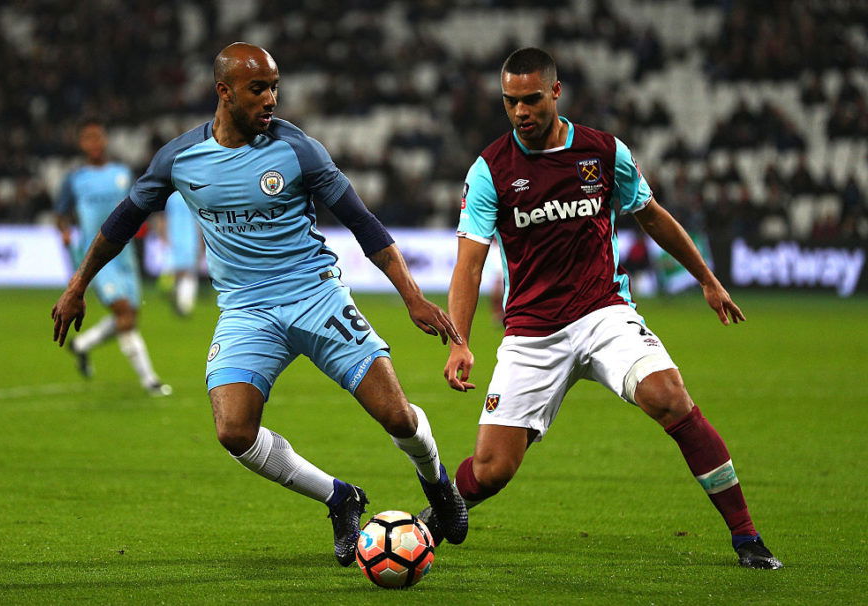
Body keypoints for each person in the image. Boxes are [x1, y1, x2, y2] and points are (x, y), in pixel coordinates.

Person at [51, 43, 468, 566]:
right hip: (247, 312)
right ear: (224, 91)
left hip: (315, 296)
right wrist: (77, 286)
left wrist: (412, 298)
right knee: (234, 432)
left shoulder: (299, 150)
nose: (271, 98)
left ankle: (438, 484)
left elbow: (364, 224)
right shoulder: (179, 158)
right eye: (258, 89)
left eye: (274, 87)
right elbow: (121, 222)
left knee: (398, 418)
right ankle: (340, 498)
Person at [421, 48, 781, 570]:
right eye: (510, 101)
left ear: (555, 91)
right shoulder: (490, 171)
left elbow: (652, 216)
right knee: (493, 469)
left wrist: (706, 279)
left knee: (670, 397)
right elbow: (469, 265)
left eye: (531, 99)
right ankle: (432, 519)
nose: (520, 112)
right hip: (532, 333)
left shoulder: (603, 152)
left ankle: (747, 537)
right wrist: (459, 340)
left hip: (603, 313)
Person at [55, 119, 171, 396]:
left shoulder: (122, 173)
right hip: (95, 257)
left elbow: (141, 203)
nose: (94, 143)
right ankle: (150, 380)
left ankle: (81, 345)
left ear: (105, 140)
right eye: (88, 138)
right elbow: (61, 214)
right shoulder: (75, 179)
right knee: (124, 313)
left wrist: (157, 227)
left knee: (129, 316)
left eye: (98, 137)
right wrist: (65, 232)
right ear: (81, 144)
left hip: (125, 254)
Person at [160, 190, 203, 316]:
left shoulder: (171, 196)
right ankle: (185, 305)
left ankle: (181, 301)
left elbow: (164, 218)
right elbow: (200, 220)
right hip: (189, 238)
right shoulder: (193, 195)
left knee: (180, 271)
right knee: (188, 272)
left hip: (175, 237)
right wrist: (201, 240)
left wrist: (164, 235)